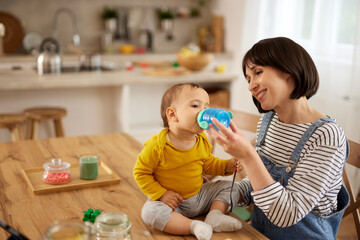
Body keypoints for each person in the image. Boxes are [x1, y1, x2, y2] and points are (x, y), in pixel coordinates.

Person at [207, 37, 350, 240]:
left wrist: (248, 155)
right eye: (248, 79)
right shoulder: (269, 122)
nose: (251, 86)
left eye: (257, 72)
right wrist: (214, 192)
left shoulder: (326, 136)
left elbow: (287, 214)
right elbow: (261, 184)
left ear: (288, 71)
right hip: (258, 234)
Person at [133, 83, 242, 240]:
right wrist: (162, 194)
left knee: (231, 187)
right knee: (149, 212)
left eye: (206, 106)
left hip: (199, 196)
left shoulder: (202, 140)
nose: (204, 112)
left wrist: (227, 166)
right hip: (172, 203)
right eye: (196, 105)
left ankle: (214, 215)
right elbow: (140, 173)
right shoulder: (157, 146)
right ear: (172, 115)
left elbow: (208, 164)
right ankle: (193, 226)